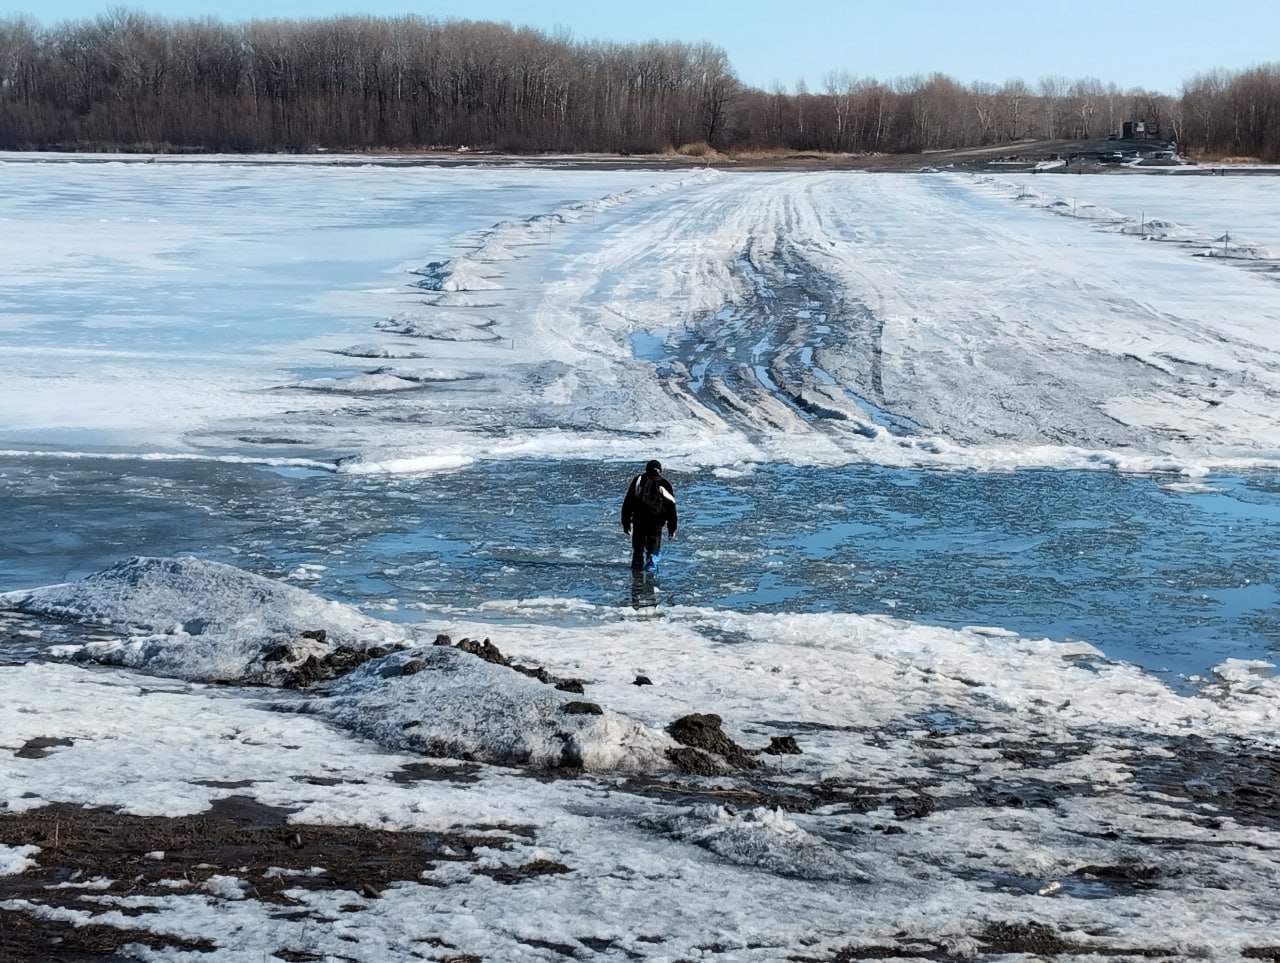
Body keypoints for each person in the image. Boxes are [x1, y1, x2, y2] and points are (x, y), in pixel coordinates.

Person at [621, 459, 677, 572]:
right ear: (660, 470)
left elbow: (628, 502)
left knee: (638, 549)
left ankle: (637, 570)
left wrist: (625, 522)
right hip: (656, 522)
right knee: (653, 548)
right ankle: (651, 572)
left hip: (639, 520)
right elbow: (671, 508)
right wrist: (672, 527)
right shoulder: (664, 483)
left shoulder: (639, 480)